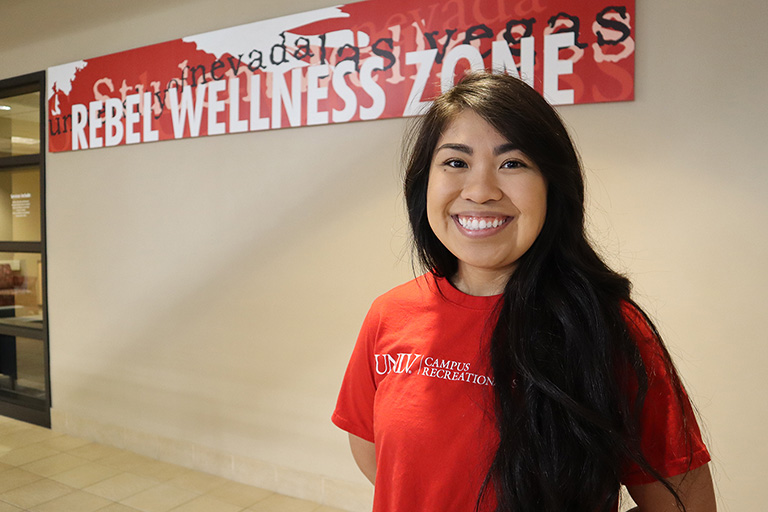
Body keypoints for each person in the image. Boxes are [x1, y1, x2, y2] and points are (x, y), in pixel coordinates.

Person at [332, 72, 715, 512]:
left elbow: (685, 503)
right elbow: (379, 458)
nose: (479, 191)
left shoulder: (608, 327)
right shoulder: (389, 313)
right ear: (425, 184)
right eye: (455, 162)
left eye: (512, 163)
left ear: (553, 186)